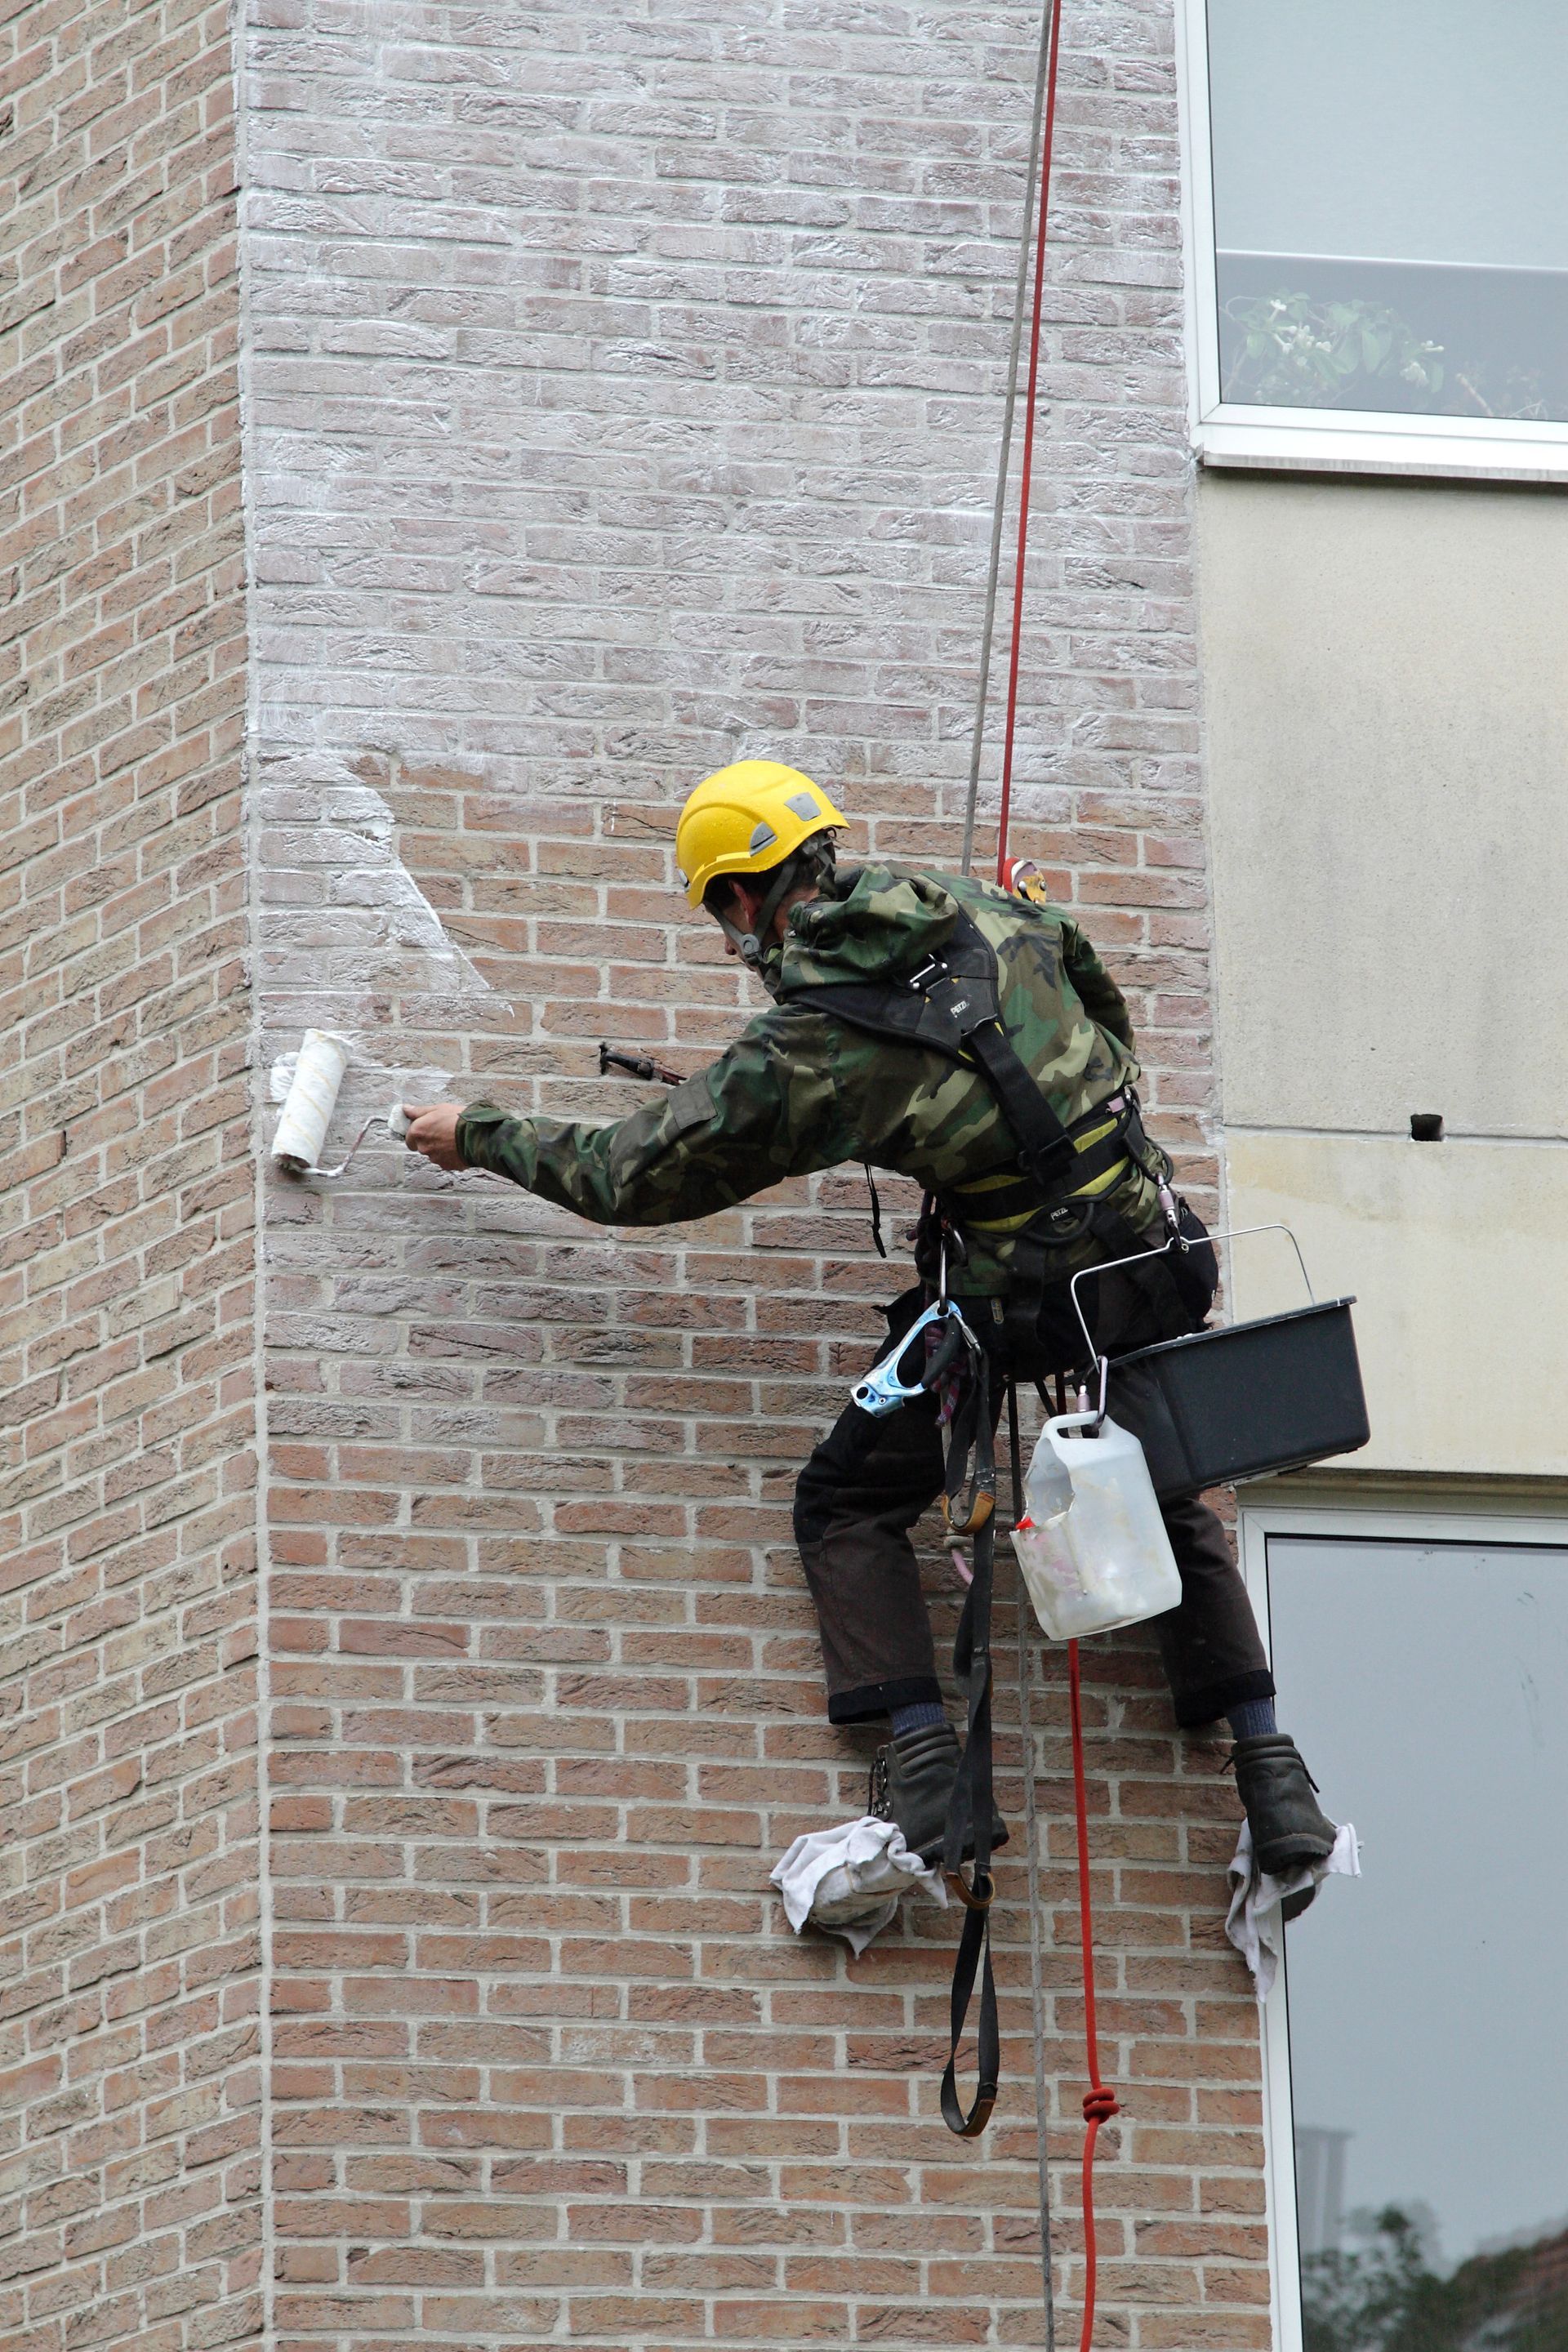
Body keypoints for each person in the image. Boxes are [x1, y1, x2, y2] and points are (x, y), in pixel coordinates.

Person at [403, 760, 1337, 1894]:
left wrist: (481, 1132)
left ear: (743, 898)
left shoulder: (810, 1047)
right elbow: (1092, 984)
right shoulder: (972, 905)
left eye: (717, 911)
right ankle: (1273, 1770)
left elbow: (630, 1175)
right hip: (1153, 1248)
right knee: (1164, 1482)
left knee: (846, 1500)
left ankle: (928, 1768)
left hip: (1021, 1300)